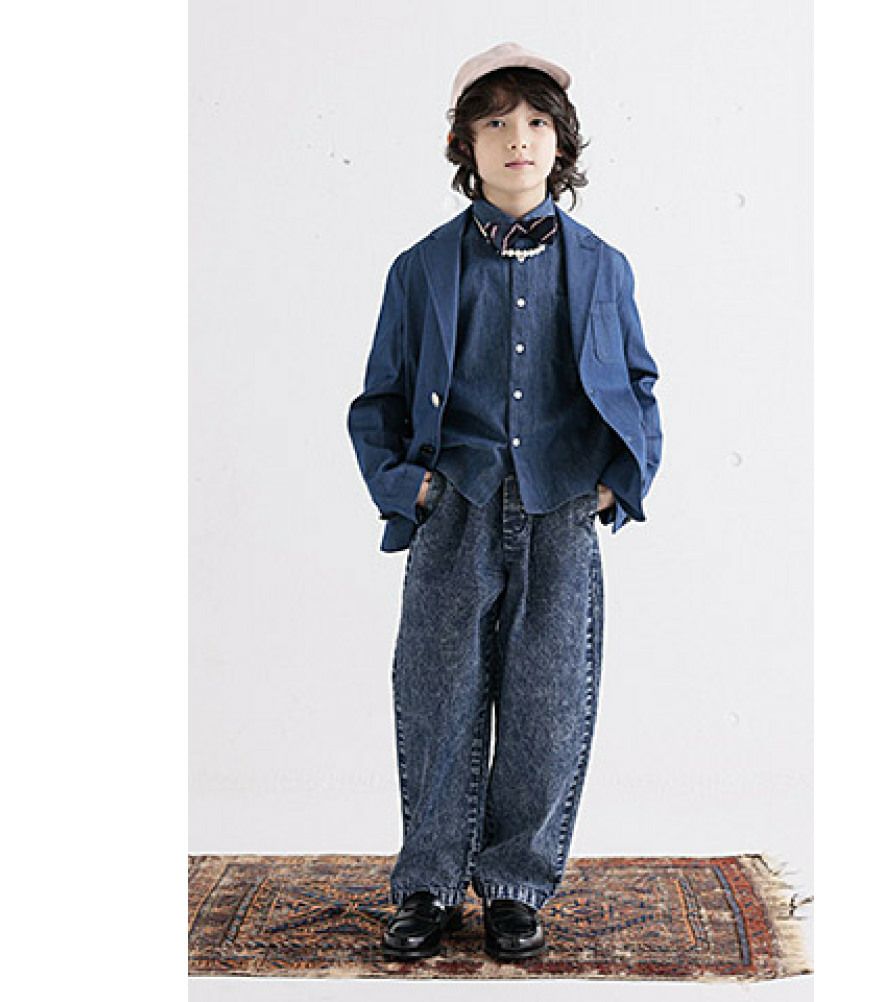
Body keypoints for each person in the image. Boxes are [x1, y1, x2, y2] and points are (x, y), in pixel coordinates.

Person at [346, 41, 663, 963]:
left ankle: (518, 888)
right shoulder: (421, 269)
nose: (517, 138)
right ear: (465, 144)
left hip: (562, 511)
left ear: (561, 142)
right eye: (495, 123)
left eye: (534, 122)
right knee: (437, 698)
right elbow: (379, 399)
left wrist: (620, 478)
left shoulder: (604, 267)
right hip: (457, 506)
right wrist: (410, 488)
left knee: (548, 704)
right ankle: (430, 885)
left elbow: (637, 383)